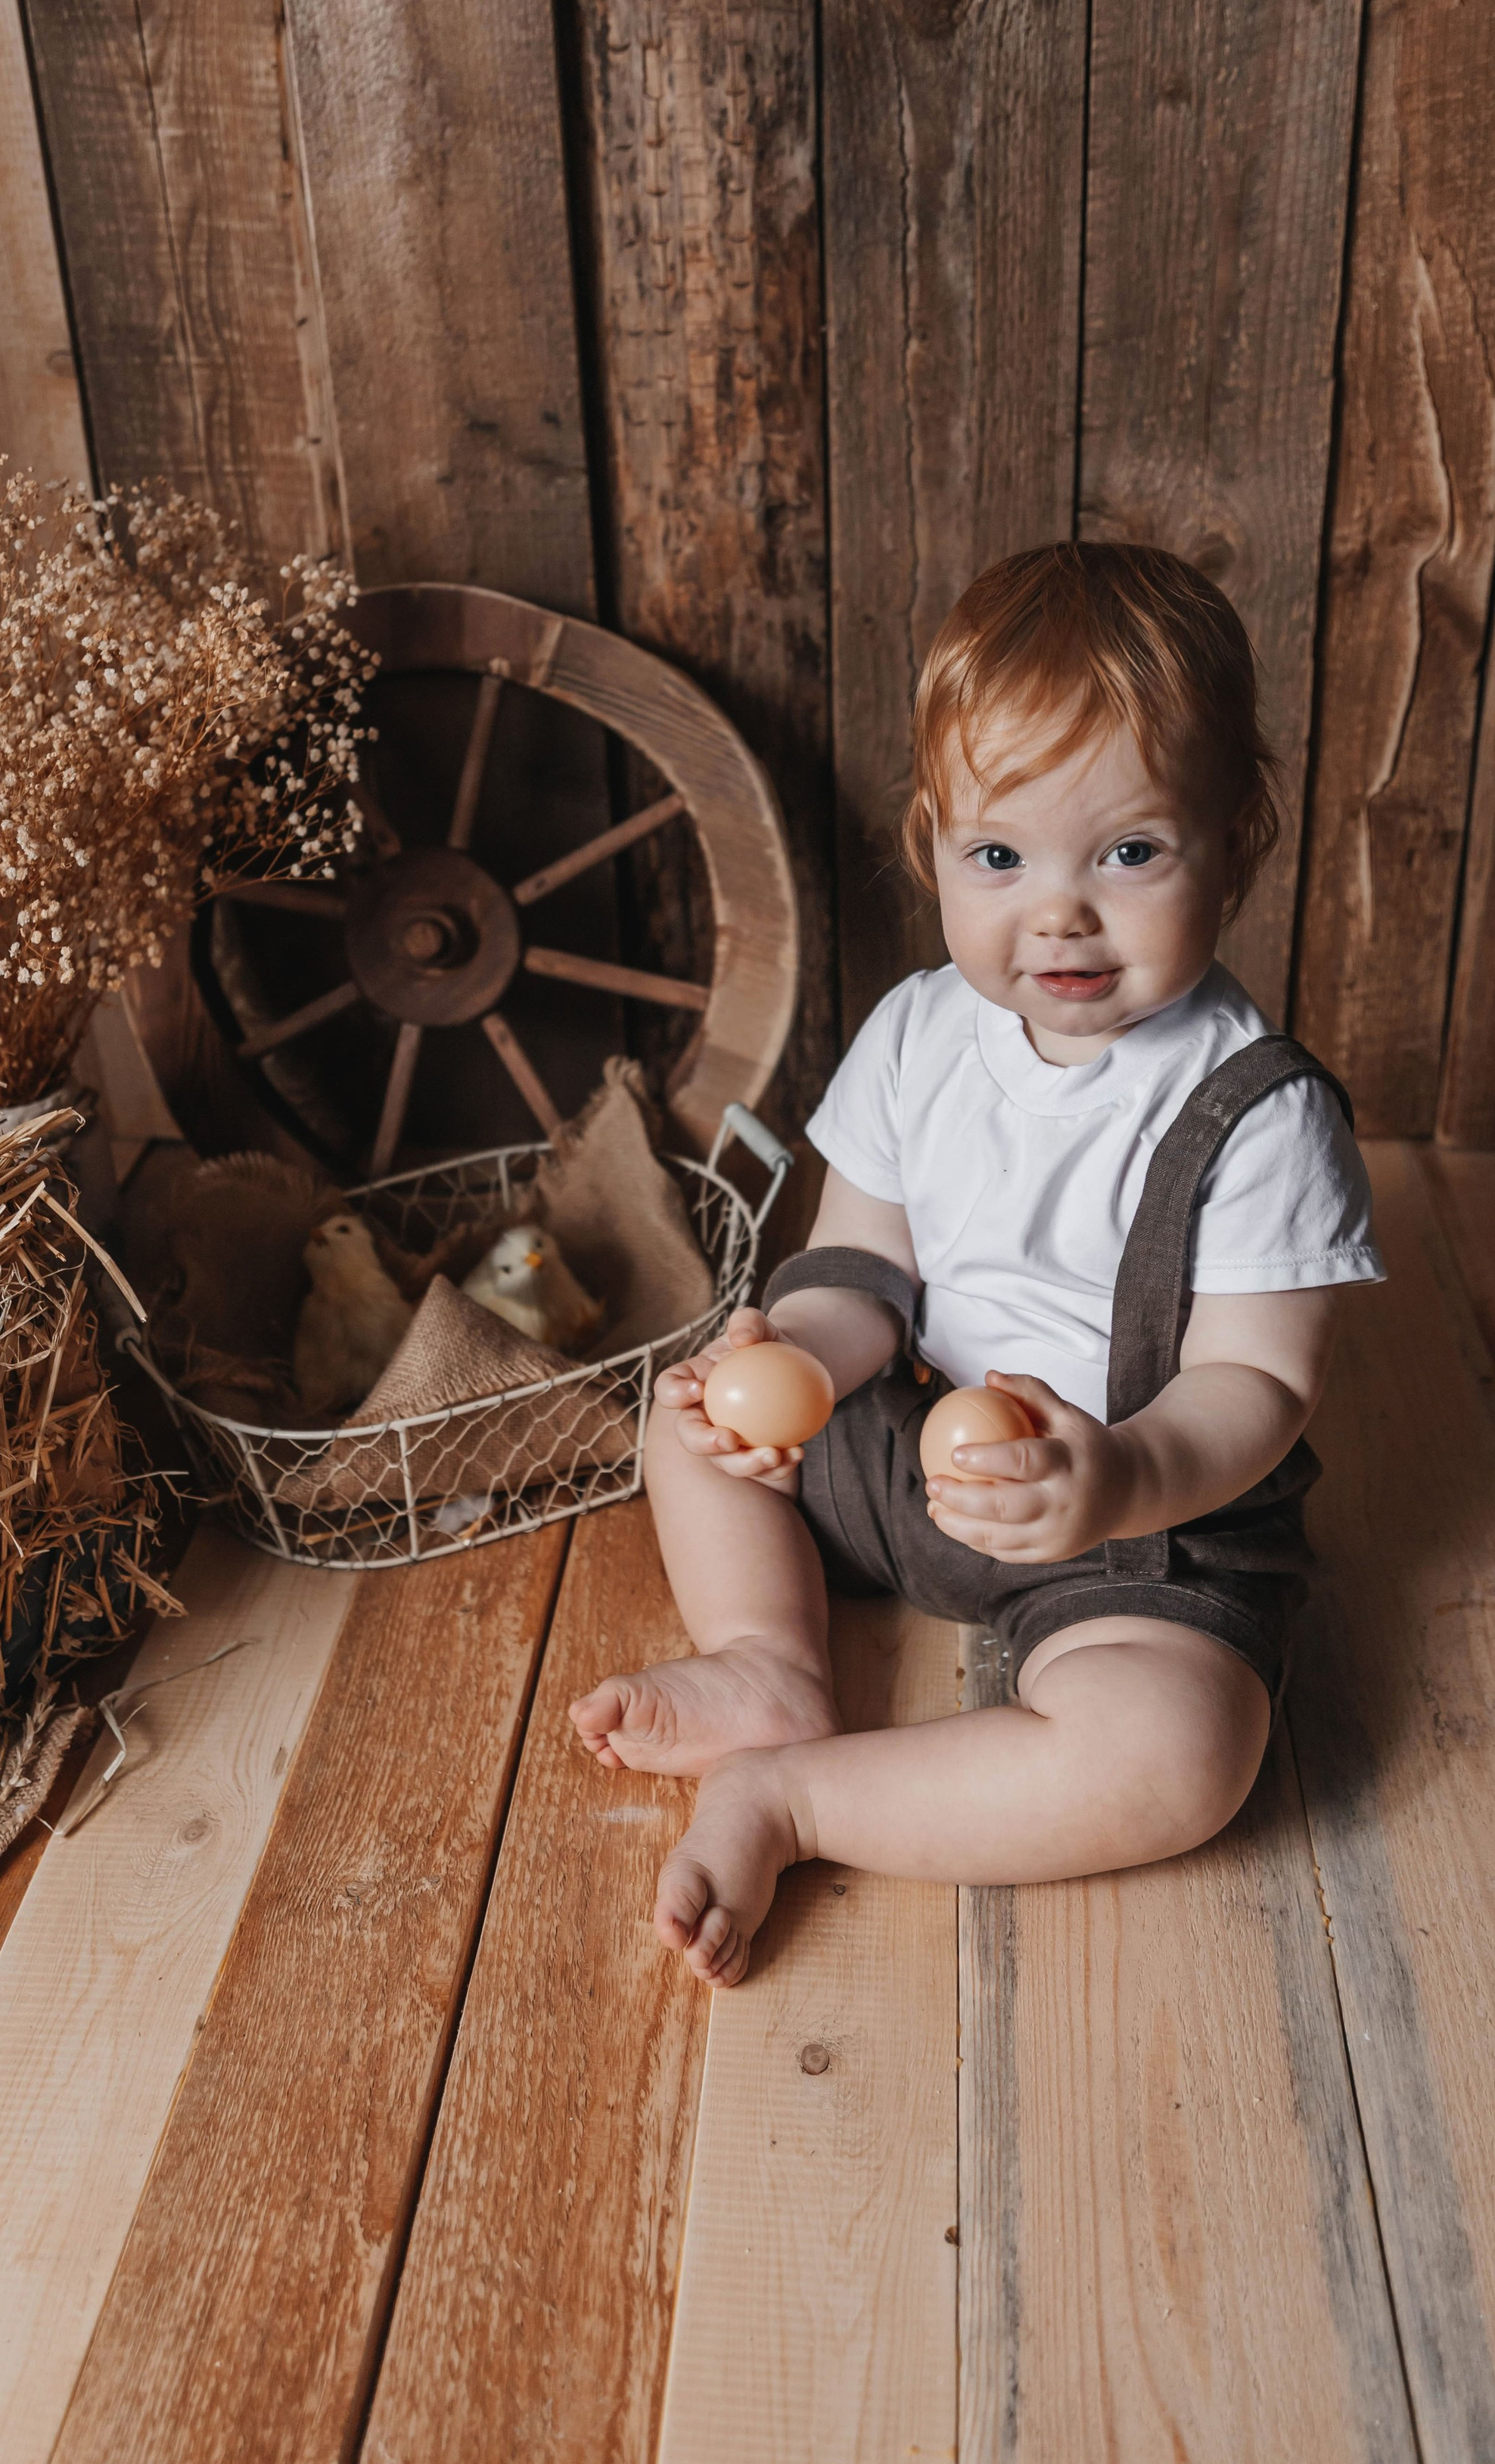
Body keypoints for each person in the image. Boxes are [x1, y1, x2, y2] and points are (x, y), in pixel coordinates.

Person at [569, 541, 1383, 1988]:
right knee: (686, 1423)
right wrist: (800, 1365)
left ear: (1237, 843)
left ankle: (800, 1796)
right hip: (907, 1441)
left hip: (1143, 1516)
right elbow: (862, 1264)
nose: (1058, 912)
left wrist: (1118, 1476)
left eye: (1127, 853)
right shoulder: (919, 1034)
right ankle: (771, 1661)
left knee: (1185, 1755)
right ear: (932, 843)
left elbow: (1259, 1381)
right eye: (998, 857)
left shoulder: (1262, 1111)